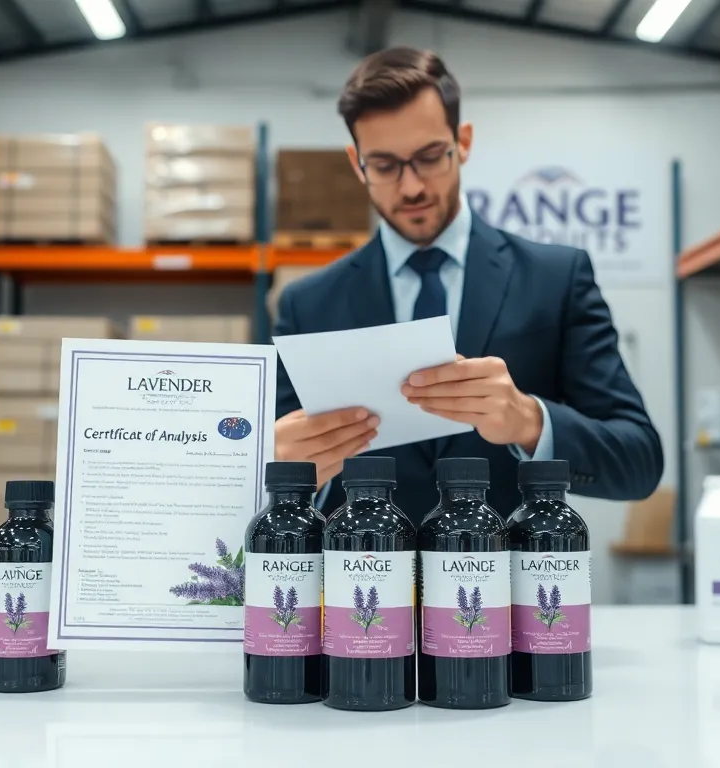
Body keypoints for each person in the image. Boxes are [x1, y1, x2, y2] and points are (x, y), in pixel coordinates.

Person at [273, 46, 663, 521]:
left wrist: (529, 421)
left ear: (464, 142)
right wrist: (283, 469)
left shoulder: (556, 280)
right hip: (362, 587)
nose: (411, 186)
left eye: (429, 156)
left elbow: (639, 462)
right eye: (385, 166)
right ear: (357, 164)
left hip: (509, 587)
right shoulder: (308, 306)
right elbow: (268, 486)